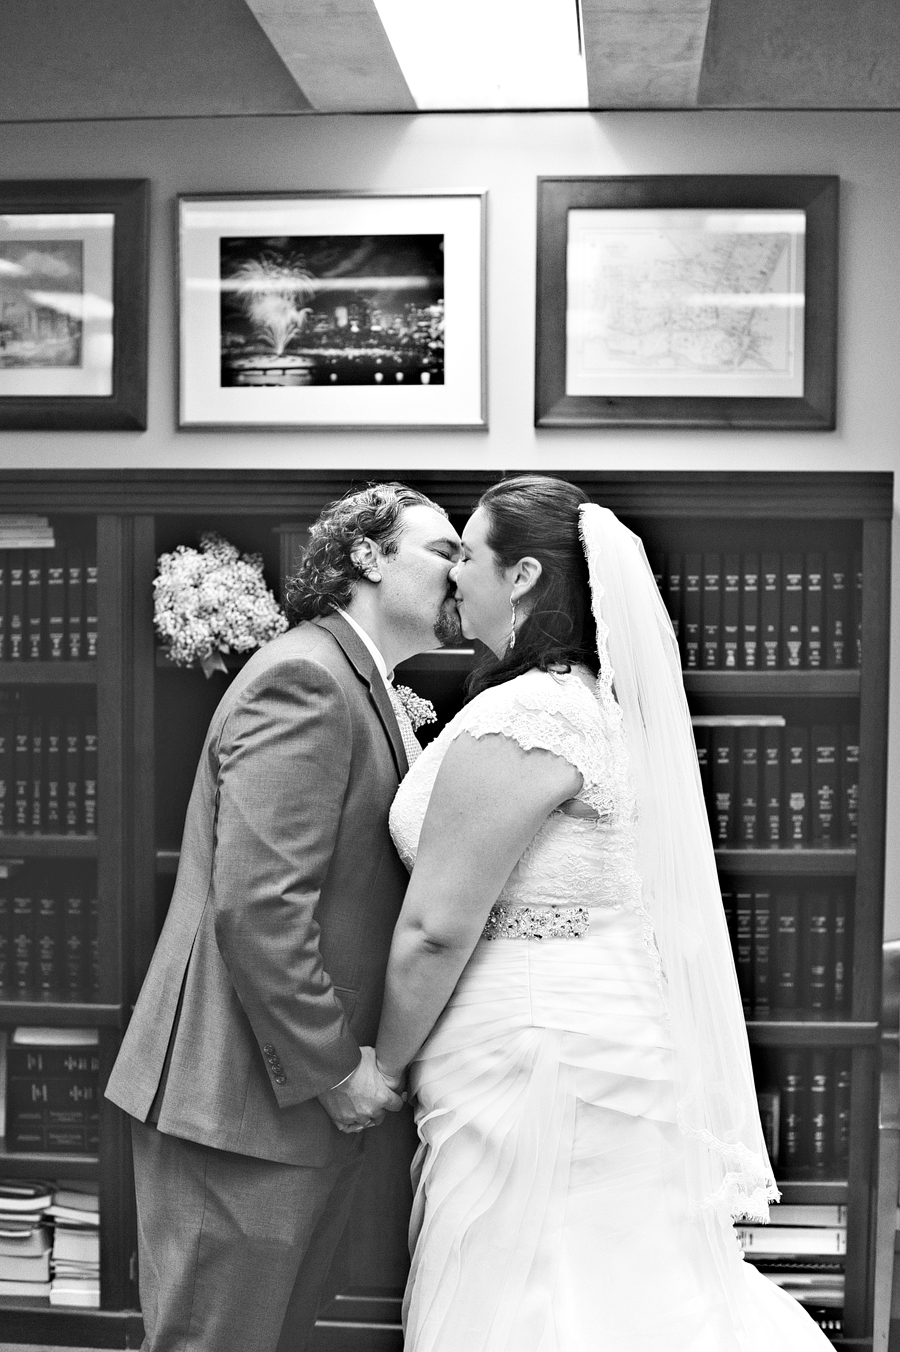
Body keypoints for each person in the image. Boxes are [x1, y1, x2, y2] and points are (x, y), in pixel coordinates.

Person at [374, 475, 833, 1352]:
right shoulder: (590, 704)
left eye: (468, 553)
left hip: (531, 1046)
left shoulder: (524, 717)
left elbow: (436, 927)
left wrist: (381, 1065)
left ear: (523, 578)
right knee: (615, 1280)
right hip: (603, 1026)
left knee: (528, 1289)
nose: (453, 573)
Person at [105, 482, 461, 1352]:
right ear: (367, 558)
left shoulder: (360, 682)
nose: (459, 574)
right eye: (444, 551)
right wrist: (337, 1074)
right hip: (236, 1102)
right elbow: (260, 906)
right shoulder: (307, 676)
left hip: (276, 1108)